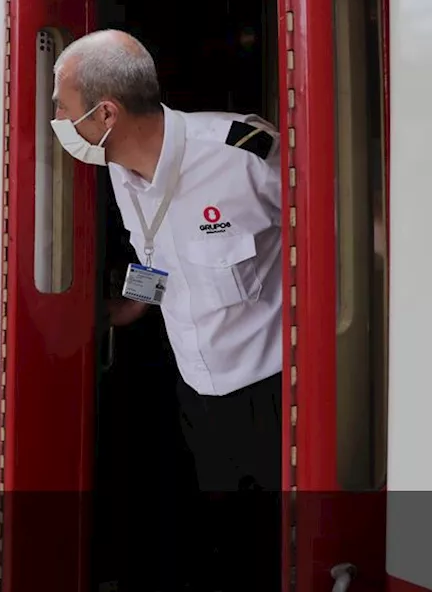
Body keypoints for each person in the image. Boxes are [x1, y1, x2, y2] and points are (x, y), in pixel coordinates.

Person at [49, 29, 282, 591]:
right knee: (229, 544)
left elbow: (347, 228)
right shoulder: (119, 170)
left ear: (105, 114)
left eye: (62, 109)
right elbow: (156, 252)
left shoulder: (243, 153)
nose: (56, 121)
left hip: (275, 393)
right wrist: (128, 310)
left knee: (287, 545)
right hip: (196, 392)